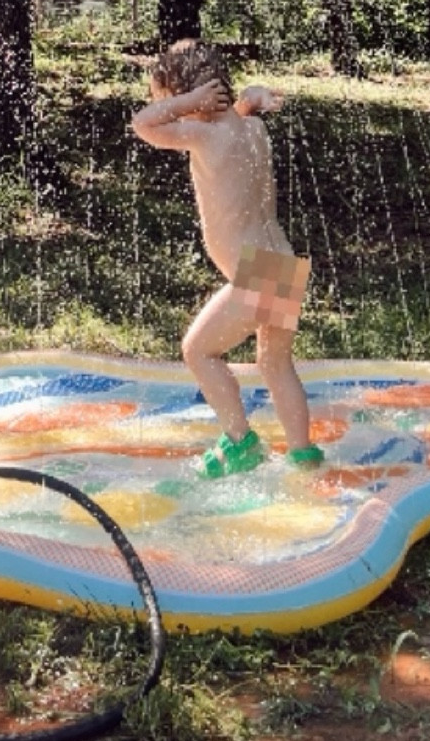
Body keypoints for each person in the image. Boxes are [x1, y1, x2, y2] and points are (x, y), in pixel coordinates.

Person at [132, 39, 323, 478]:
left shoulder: (202, 133)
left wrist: (185, 103)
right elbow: (241, 113)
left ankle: (240, 442)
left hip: (255, 276)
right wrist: (249, 97)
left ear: (192, 96)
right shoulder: (249, 128)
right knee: (275, 363)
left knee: (198, 351)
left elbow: (143, 125)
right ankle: (303, 456)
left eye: (172, 97)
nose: (171, 110)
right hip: (284, 262)